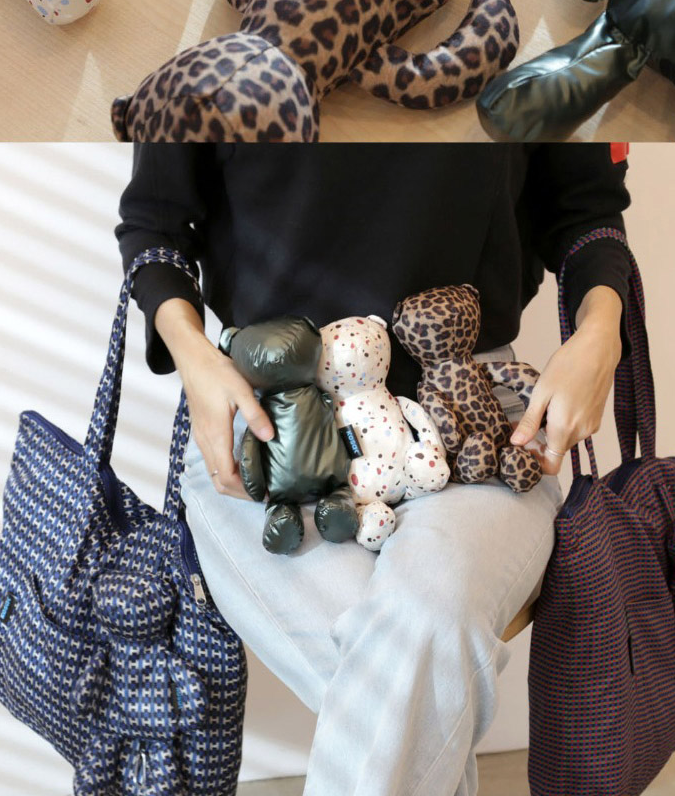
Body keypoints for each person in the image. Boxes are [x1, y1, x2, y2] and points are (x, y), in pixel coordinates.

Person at [117, 144, 632, 796]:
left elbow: (585, 209)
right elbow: (156, 225)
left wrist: (600, 331)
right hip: (274, 429)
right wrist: (193, 354)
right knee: (414, 677)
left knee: (421, 628)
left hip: (471, 415)